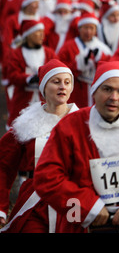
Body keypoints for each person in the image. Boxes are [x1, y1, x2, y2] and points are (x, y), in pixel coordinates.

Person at [33, 61, 119, 233]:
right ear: (94, 90)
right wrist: (88, 207)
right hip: (82, 226)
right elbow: (46, 177)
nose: (114, 97)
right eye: (107, 89)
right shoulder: (69, 126)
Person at [0, 59, 78, 232]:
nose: (62, 87)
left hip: (73, 202)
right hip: (35, 202)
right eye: (56, 82)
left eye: (67, 82)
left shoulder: (84, 120)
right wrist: (1, 207)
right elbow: (3, 164)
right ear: (43, 87)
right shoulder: (26, 123)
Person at [6, 19, 58, 127]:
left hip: (45, 100)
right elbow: (12, 75)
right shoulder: (17, 54)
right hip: (23, 99)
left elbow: (57, 71)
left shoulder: (49, 53)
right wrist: (28, 79)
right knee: (18, 129)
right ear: (28, 35)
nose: (42, 35)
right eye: (38, 32)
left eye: (42, 32)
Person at [58, 12, 112, 108]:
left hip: (97, 90)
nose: (88, 31)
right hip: (76, 90)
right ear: (79, 29)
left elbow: (110, 68)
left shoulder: (103, 49)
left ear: (96, 30)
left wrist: (100, 58)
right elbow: (59, 69)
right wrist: (78, 65)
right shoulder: (68, 47)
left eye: (91, 28)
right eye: (85, 28)